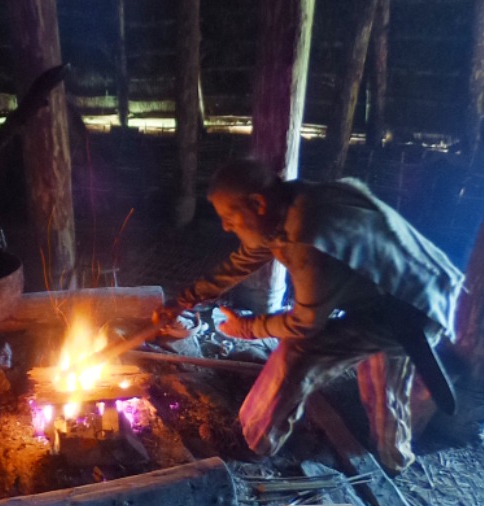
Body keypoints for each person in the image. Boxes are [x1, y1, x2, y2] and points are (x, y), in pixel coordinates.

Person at [155, 158, 465, 473]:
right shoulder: (287, 205)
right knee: (382, 372)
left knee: (302, 351)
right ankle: (393, 456)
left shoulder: (307, 233)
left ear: (257, 204)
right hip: (405, 294)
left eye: (229, 217)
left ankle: (253, 442)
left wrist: (247, 327)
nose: (224, 226)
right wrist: (184, 300)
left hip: (412, 307)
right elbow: (243, 260)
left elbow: (303, 324)